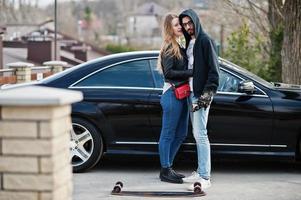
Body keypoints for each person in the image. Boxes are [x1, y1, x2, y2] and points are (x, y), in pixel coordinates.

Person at [179, 9, 220, 190]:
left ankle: (205, 177)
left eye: (190, 23)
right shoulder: (190, 42)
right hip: (190, 92)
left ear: (196, 21)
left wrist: (206, 95)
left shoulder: (205, 41)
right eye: (184, 24)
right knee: (196, 134)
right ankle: (199, 170)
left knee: (201, 134)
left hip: (201, 94)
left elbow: (214, 71)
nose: (188, 27)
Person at [157, 13, 193, 184]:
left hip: (183, 93)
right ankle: (165, 170)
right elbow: (169, 73)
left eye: (180, 24)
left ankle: (168, 167)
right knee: (168, 134)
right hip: (172, 94)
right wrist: (191, 73)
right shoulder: (168, 47)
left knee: (181, 134)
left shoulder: (179, 45)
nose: (180, 27)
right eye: (176, 25)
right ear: (169, 28)